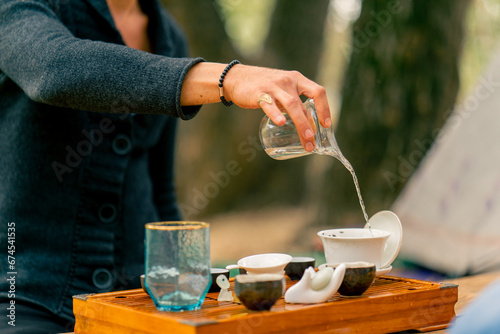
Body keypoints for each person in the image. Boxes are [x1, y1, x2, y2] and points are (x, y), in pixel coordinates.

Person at [0, 0, 332, 332]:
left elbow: (160, 188)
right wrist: (227, 78)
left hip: (137, 302)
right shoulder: (22, 6)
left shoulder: (169, 37)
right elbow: (52, 69)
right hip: (24, 298)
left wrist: (189, 283)